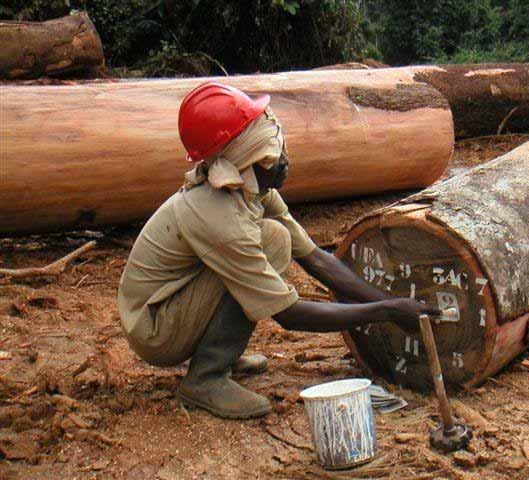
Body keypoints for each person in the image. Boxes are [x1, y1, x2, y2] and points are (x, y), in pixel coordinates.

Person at [117, 83, 438, 419]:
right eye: (272, 156)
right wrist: (385, 311)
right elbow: (288, 313)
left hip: (176, 300)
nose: (285, 162)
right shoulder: (219, 217)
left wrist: (383, 300)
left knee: (277, 237)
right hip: (155, 327)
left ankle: (218, 352)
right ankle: (206, 377)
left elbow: (315, 258)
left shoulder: (251, 188)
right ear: (245, 160)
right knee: (270, 242)